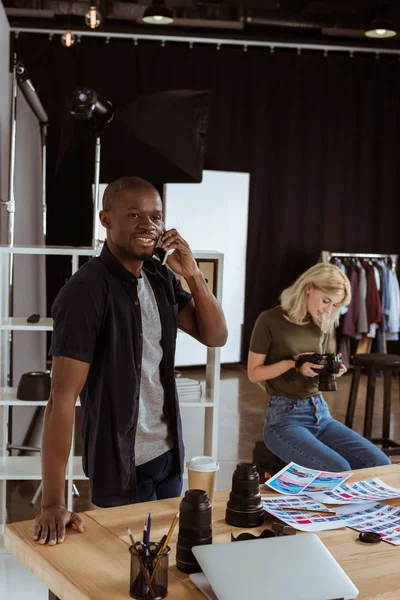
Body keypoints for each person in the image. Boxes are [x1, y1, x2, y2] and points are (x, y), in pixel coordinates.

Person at [33, 176, 228, 546]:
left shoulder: (158, 276)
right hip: (122, 467)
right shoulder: (85, 292)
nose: (148, 225)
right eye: (135, 214)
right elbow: (61, 399)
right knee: (129, 575)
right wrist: (54, 502)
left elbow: (215, 336)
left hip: (169, 454)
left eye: (156, 217)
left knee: (168, 563)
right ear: (106, 218)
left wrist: (192, 275)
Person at [248, 263, 390, 474]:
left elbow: (315, 369)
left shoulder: (320, 323)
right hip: (284, 419)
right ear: (308, 288)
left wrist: (330, 369)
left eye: (334, 305)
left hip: (320, 413)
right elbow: (254, 373)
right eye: (326, 301)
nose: (327, 309)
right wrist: (292, 363)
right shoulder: (269, 320)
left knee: (380, 463)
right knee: (338, 468)